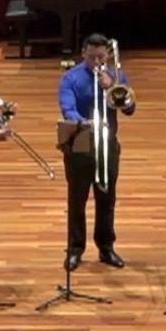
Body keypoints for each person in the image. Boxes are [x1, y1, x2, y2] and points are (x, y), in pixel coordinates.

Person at [57, 33, 134, 270]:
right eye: (92, 57)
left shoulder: (117, 75)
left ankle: (106, 247)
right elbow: (67, 108)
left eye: (101, 57)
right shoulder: (70, 78)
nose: (97, 62)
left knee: (106, 199)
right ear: (83, 54)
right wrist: (84, 122)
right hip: (80, 145)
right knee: (77, 201)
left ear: (108, 55)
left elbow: (130, 108)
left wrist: (112, 86)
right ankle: (75, 249)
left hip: (108, 146)